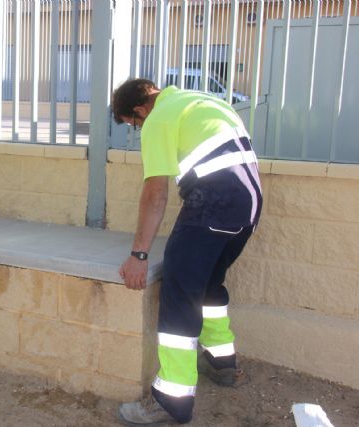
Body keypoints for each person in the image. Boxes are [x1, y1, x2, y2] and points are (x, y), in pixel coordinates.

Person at [111, 79, 262, 425]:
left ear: (139, 110)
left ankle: (171, 402)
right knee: (208, 286)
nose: (137, 130)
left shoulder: (159, 118)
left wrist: (139, 255)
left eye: (133, 125)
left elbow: (156, 193)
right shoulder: (202, 102)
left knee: (178, 295)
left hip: (214, 205)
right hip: (249, 206)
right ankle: (223, 364)